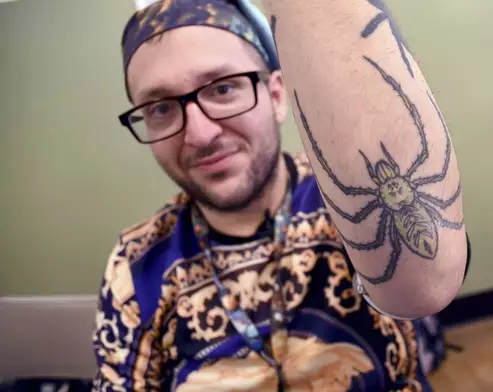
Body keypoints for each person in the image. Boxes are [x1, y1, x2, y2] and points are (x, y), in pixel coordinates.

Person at [91, 0, 471, 390]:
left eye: (223, 88)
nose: (200, 134)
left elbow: (427, 284)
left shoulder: (342, 200)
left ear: (277, 95)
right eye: (160, 109)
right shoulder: (135, 267)